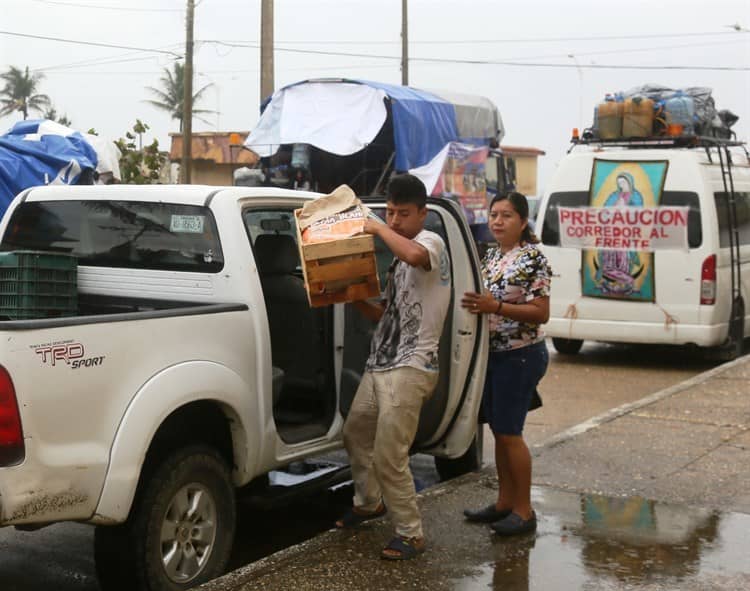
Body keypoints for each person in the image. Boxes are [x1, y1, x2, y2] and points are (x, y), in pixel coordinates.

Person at [335, 173, 451, 560]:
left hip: (412, 366)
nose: (396, 219)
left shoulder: (429, 242)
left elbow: (417, 256)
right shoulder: (396, 263)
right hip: (381, 362)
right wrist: (349, 294)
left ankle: (410, 533)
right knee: (355, 434)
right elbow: (381, 314)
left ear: (422, 212)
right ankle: (369, 503)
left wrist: (377, 227)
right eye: (390, 212)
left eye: (403, 213)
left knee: (389, 453)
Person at [462, 191, 550, 536]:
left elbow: (541, 312)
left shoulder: (532, 259)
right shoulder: (491, 256)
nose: (498, 221)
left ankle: (524, 511)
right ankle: (503, 502)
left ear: (523, 221)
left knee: (511, 434)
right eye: (494, 214)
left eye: (507, 216)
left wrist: (495, 308)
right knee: (499, 432)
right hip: (494, 355)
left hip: (521, 355)